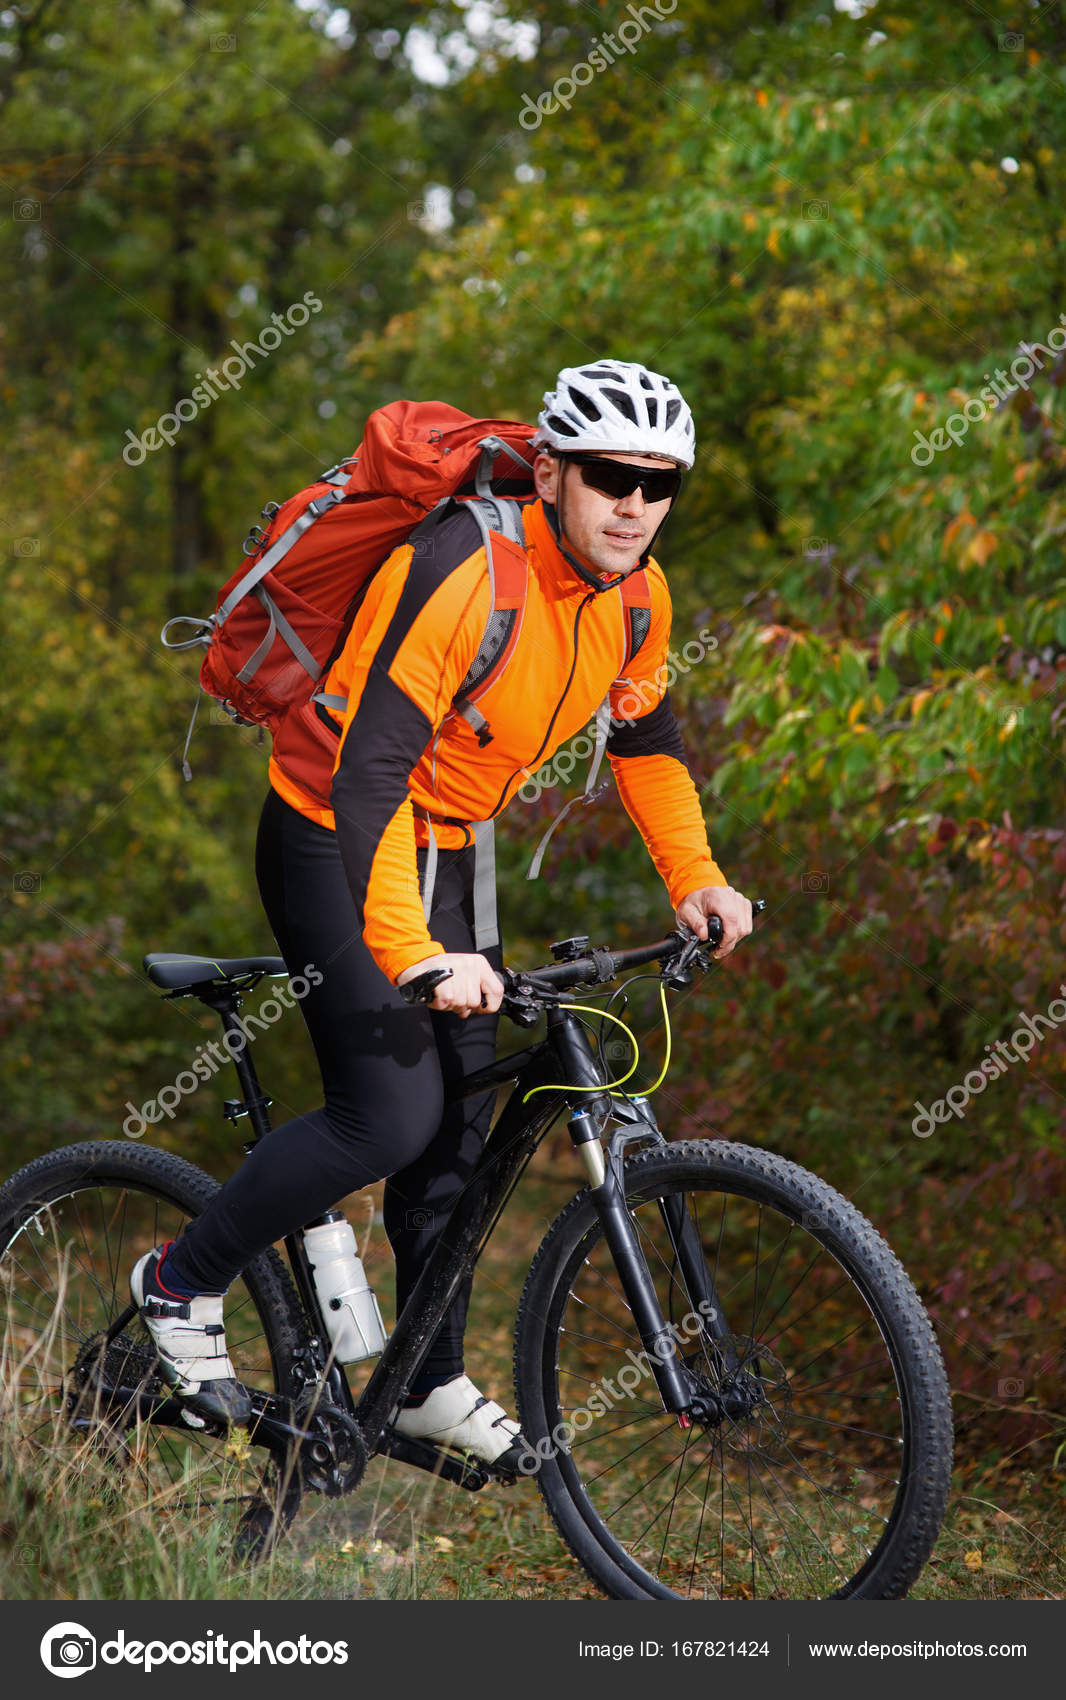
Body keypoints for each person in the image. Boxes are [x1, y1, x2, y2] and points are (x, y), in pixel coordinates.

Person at [130, 359, 753, 1464]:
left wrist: (695, 877)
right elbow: (369, 770)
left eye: (662, 485)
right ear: (553, 470)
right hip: (334, 824)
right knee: (388, 1116)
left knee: (459, 1121)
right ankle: (177, 1283)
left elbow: (645, 743)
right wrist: (414, 952)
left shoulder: (640, 596)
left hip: (451, 844)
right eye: (610, 475)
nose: (635, 506)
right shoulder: (465, 566)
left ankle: (425, 1378)